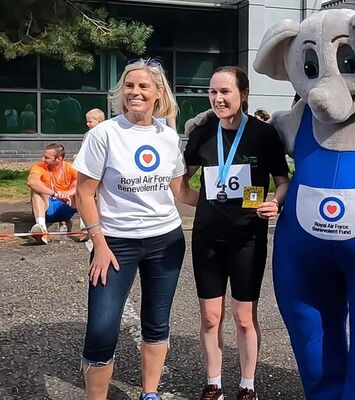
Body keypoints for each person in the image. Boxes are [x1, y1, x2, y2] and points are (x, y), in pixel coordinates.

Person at [73, 58, 199, 400]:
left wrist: (224, 201)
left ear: (158, 93)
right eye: (129, 86)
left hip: (166, 242)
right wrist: (98, 243)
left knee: (156, 323)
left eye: (144, 86)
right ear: (121, 93)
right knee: (101, 329)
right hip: (115, 243)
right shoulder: (105, 133)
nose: (135, 92)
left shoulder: (168, 137)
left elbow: (181, 192)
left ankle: (150, 393)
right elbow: (83, 193)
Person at [183, 66, 290, 400]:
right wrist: (201, 203)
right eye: (212, 92)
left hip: (248, 238)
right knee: (211, 317)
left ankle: (247, 385)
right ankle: (213, 382)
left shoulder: (263, 133)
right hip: (207, 238)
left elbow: (283, 181)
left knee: (244, 318)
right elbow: (181, 180)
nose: (218, 99)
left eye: (225, 92)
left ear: (243, 94)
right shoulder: (202, 132)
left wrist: (276, 203)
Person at [27, 143, 79, 244]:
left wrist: (68, 193)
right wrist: (54, 194)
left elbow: (79, 183)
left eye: (47, 157)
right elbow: (32, 182)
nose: (43, 159)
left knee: (80, 192)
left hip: (66, 205)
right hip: (47, 207)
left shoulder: (70, 167)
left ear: (58, 158)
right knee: (36, 191)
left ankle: (85, 229)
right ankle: (42, 229)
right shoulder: (39, 166)